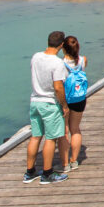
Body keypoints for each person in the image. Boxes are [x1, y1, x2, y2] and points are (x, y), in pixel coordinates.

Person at [24, 31, 69, 184]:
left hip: (35, 101)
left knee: (35, 136)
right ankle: (47, 173)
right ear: (62, 45)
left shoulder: (36, 57)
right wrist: (64, 105)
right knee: (51, 139)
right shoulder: (57, 63)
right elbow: (58, 87)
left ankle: (29, 172)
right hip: (49, 103)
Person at [60, 35, 88, 172]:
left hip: (66, 100)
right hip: (80, 99)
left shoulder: (60, 64)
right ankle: (74, 161)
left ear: (63, 49)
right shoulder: (83, 60)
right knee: (75, 129)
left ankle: (65, 164)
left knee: (65, 131)